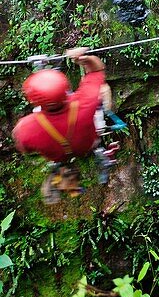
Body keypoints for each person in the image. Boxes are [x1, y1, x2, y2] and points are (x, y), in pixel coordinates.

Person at [13, 48, 107, 203]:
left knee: (41, 113)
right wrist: (84, 59)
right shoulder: (84, 102)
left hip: (59, 154)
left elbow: (25, 148)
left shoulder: (27, 127)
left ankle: (43, 70)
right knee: (90, 108)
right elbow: (97, 70)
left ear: (32, 99)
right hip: (87, 144)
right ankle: (51, 69)